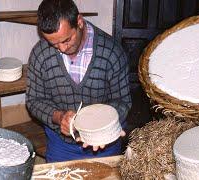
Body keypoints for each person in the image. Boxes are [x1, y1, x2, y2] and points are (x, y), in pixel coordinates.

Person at [26, 0, 132, 163]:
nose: (61, 49)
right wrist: (59, 117)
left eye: (66, 40)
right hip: (62, 145)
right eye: (53, 43)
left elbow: (122, 101)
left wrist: (100, 128)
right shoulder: (40, 54)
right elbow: (34, 101)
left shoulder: (111, 52)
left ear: (79, 22)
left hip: (104, 144)